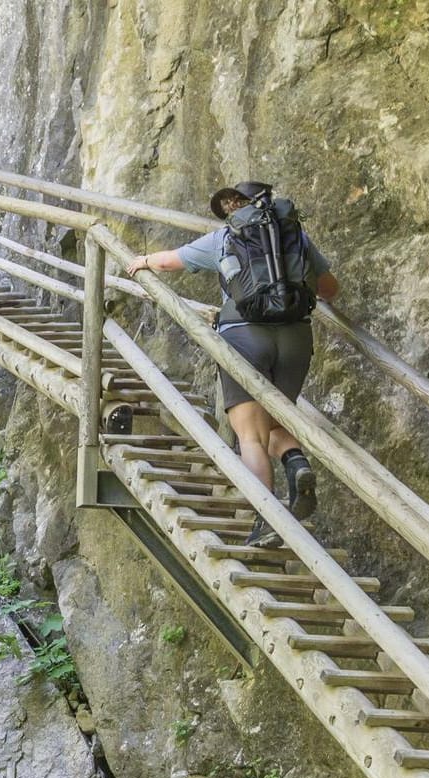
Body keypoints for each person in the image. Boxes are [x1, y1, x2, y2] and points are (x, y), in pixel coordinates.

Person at [124, 181, 340, 548]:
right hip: (296, 338)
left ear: (233, 207)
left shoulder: (224, 238)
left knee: (250, 435)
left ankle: (269, 519)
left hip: (244, 336)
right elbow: (330, 289)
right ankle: (296, 462)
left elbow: (169, 261)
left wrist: (142, 262)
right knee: (273, 421)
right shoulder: (295, 236)